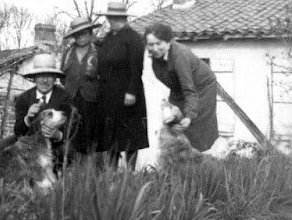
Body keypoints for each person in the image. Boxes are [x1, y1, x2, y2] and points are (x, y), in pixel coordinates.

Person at [144, 23, 219, 151]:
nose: (155, 48)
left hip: (202, 88)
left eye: (159, 43)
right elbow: (170, 82)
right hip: (179, 89)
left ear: (168, 43)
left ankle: (198, 163)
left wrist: (189, 116)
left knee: (194, 127)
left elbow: (189, 90)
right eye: (151, 44)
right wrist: (169, 105)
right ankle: (179, 163)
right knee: (174, 124)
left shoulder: (180, 55)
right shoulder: (155, 58)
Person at [95, 2, 149, 170]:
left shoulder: (133, 38)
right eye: (110, 18)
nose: (113, 21)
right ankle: (111, 174)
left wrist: (131, 92)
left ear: (124, 18)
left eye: (117, 18)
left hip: (128, 96)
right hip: (109, 96)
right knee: (111, 136)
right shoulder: (108, 38)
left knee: (130, 137)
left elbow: (137, 68)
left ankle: (130, 173)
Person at [0, 53, 72, 152]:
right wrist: (27, 118)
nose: (45, 80)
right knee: (2, 147)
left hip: (55, 143)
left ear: (55, 78)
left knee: (67, 151)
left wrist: (58, 135)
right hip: (30, 141)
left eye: (49, 76)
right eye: (40, 76)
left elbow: (72, 127)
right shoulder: (23, 98)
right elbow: (18, 132)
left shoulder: (65, 97)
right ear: (34, 79)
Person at [61, 17, 101, 155]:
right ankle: (70, 169)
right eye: (77, 34)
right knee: (70, 134)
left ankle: (88, 171)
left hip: (91, 100)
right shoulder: (67, 53)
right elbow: (62, 77)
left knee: (90, 136)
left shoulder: (98, 51)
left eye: (84, 33)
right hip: (71, 99)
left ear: (90, 33)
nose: (81, 37)